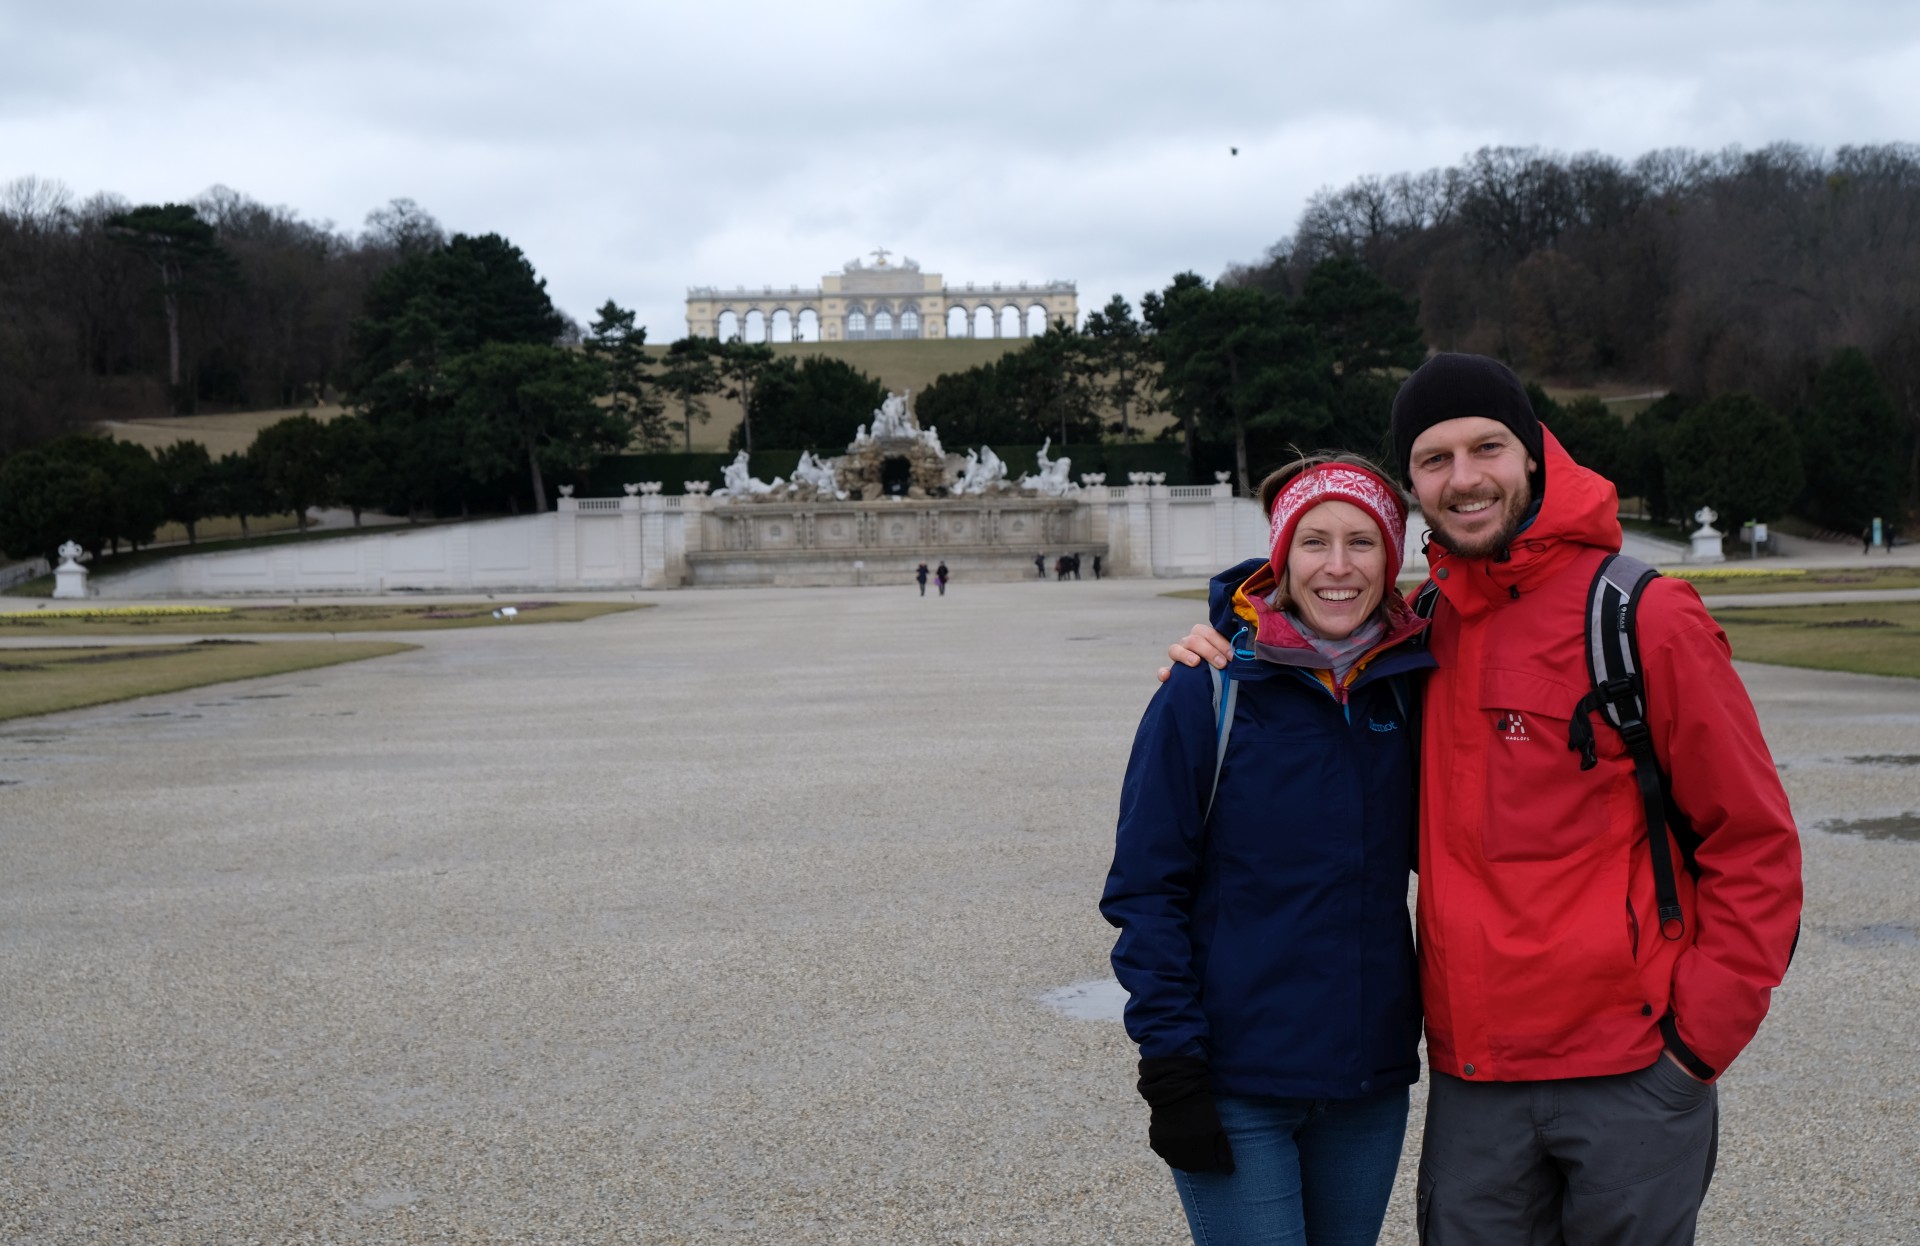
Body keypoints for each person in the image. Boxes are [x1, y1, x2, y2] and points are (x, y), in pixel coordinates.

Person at [1164, 353, 1803, 1245]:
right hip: (1474, 1082)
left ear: (1534, 453)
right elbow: (1321, 679)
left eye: (1487, 447)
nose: (1464, 478)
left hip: (1630, 1067)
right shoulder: (1424, 632)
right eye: (1434, 459)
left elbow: (1755, 845)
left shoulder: (1642, 617)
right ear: (1414, 484)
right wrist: (1227, 643)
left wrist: (1696, 1048)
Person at [1105, 453, 1433, 1246]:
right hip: (1235, 1079)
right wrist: (1171, 1066)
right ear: (1281, 554)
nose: (1338, 566)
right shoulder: (1207, 686)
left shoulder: (1413, 684)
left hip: (1368, 1078)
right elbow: (1147, 890)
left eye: (1363, 543)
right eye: (1314, 541)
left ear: (1393, 560)